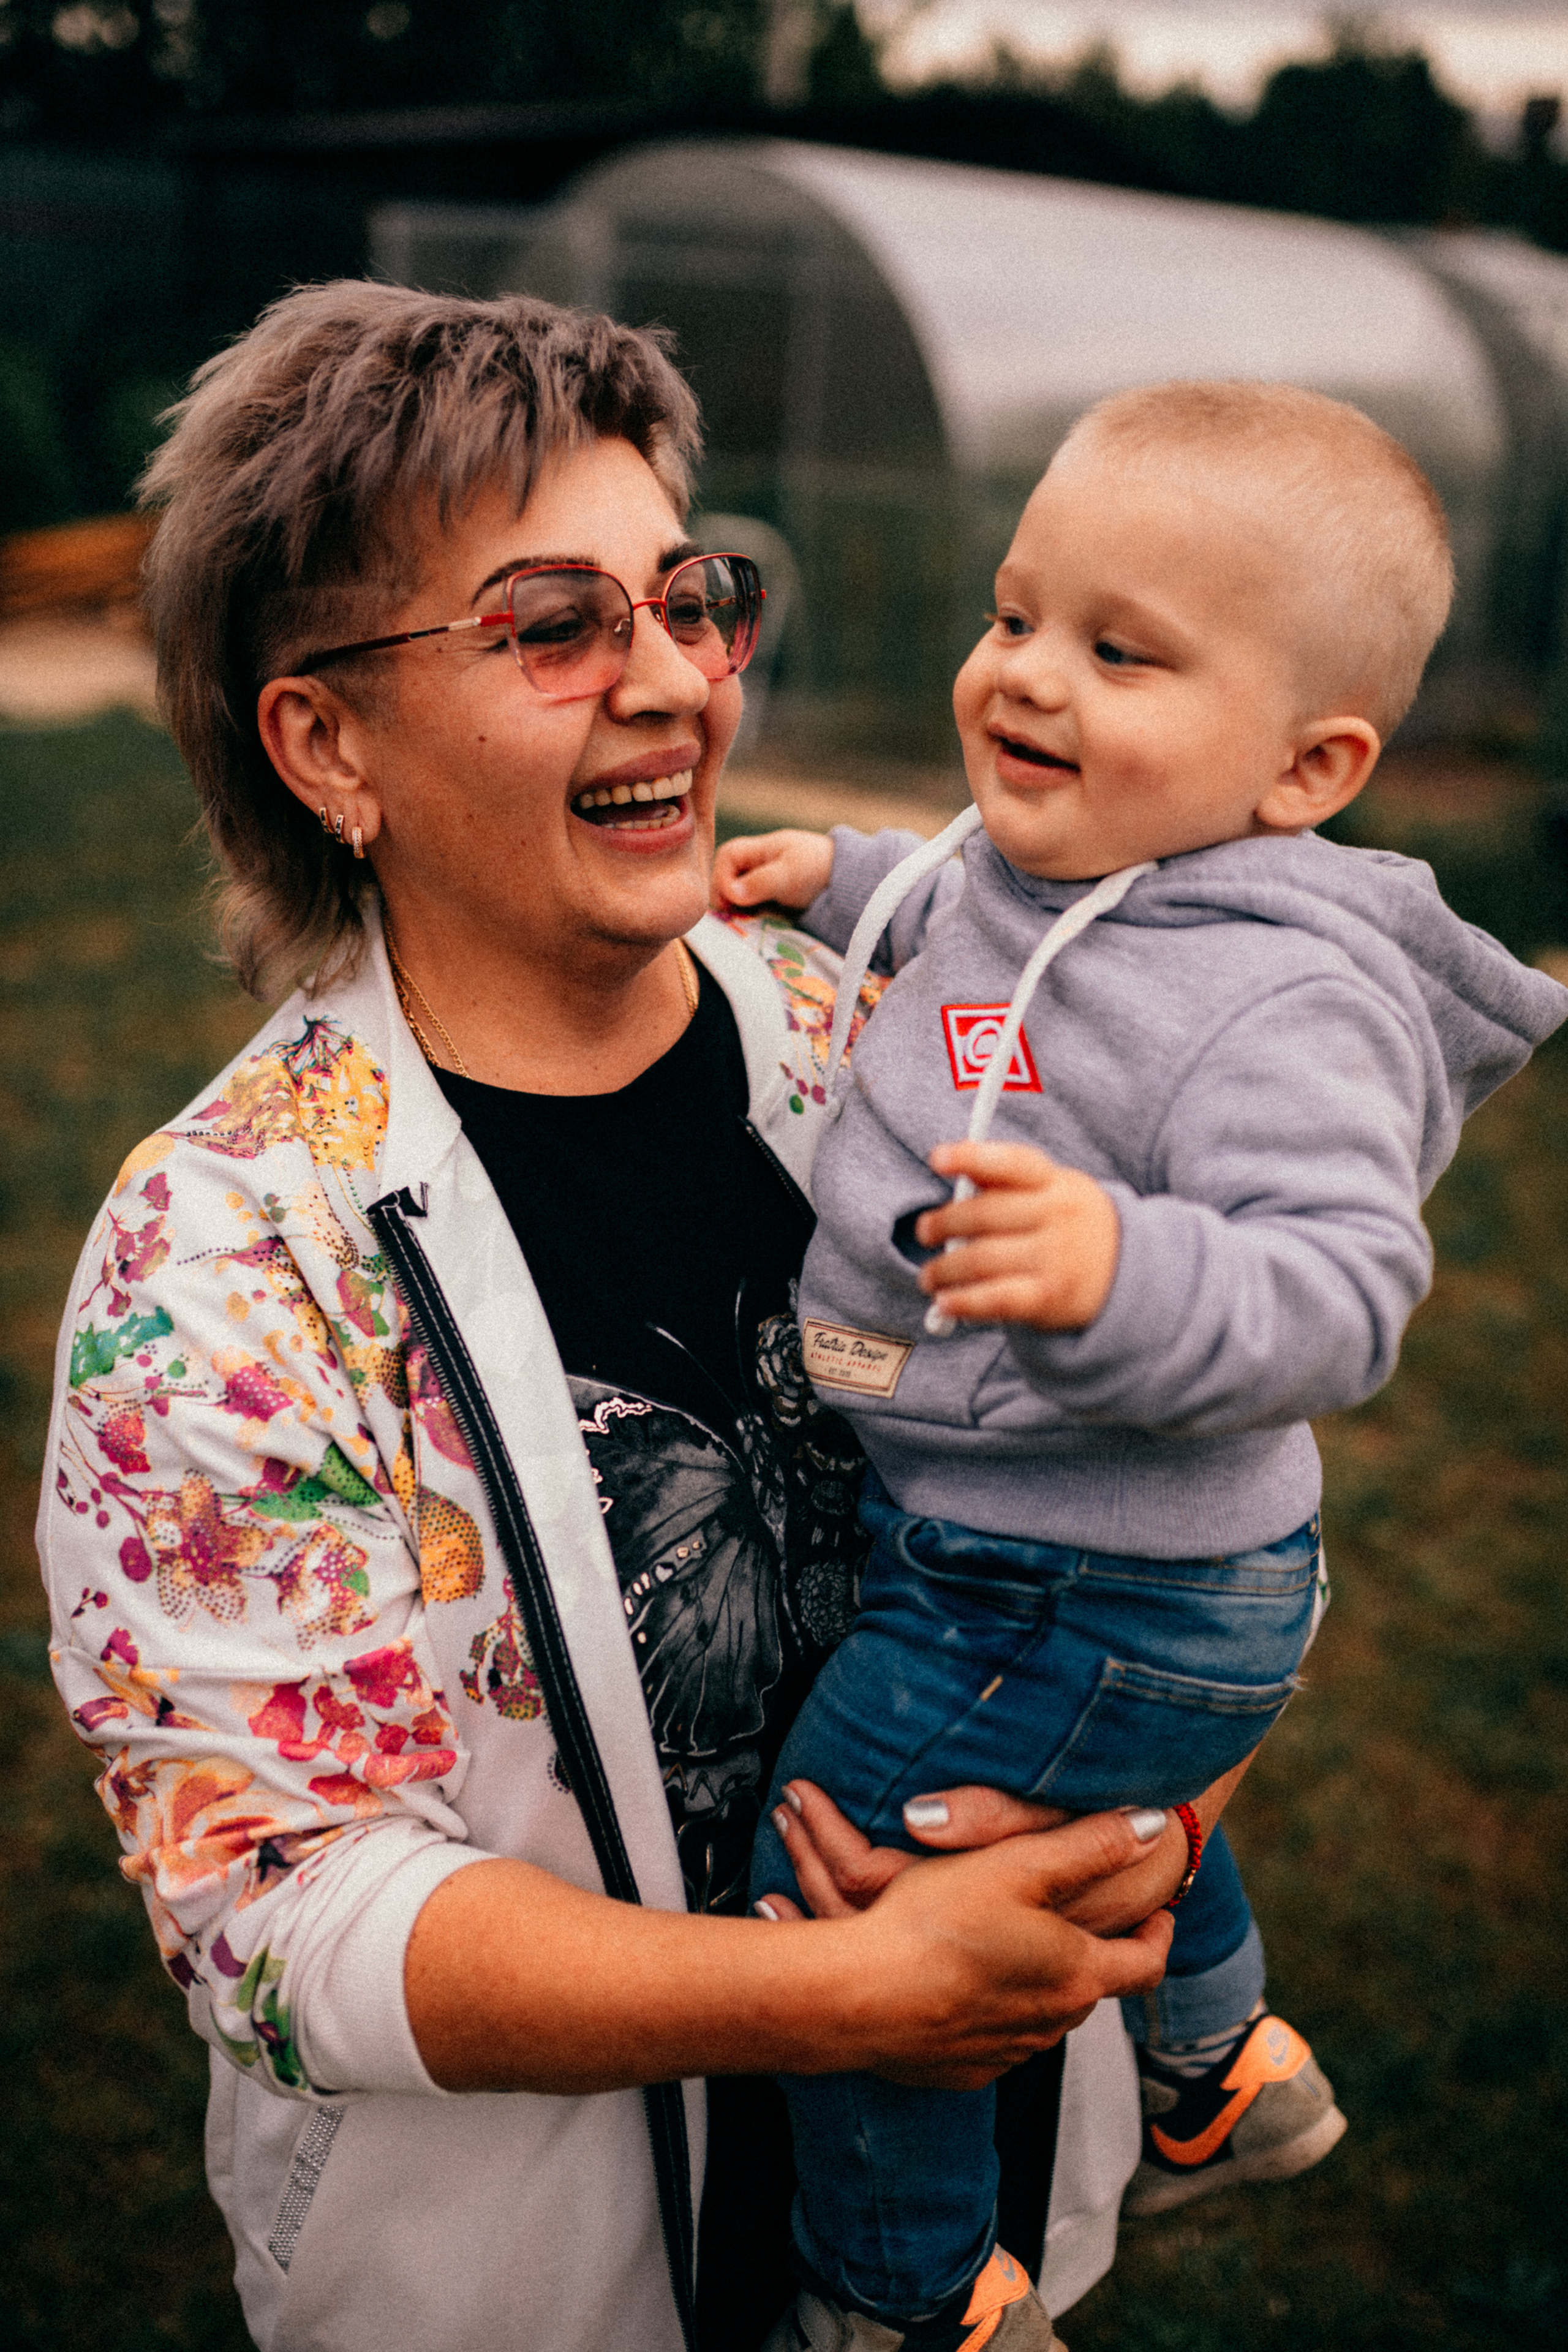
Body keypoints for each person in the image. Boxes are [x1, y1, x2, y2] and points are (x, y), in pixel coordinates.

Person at [36, 284, 1229, 2352]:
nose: (670, 681)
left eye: (688, 599)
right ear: (327, 743)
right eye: (552, 626)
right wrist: (851, 2000)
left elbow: (1155, 1477)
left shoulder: (886, 1044)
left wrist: (1160, 1812)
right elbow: (282, 1907)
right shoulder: (218, 1257)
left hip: (1000, 2223)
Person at [716, 380, 1568, 2352]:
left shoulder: (1279, 1001)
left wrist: (1123, 1264)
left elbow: (1349, 1289)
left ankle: (914, 2298)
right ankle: (1219, 2070)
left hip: (1083, 1569)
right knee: (1112, 1793)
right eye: (1018, 615)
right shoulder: (1057, 867)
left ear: (1307, 766)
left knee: (844, 1890)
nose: (1027, 677)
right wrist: (832, 877)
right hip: (1084, 1568)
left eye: (1121, 652)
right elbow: (973, 925)